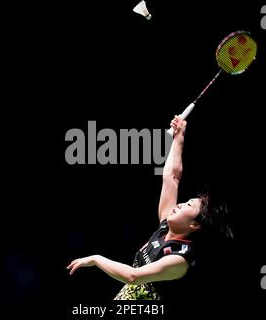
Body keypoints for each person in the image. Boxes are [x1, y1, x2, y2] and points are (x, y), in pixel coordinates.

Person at [67, 115, 233, 300]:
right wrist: (179, 137)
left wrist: (96, 259)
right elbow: (172, 178)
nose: (179, 204)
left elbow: (132, 276)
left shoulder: (179, 260)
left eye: (188, 205)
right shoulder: (164, 227)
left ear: (194, 225)